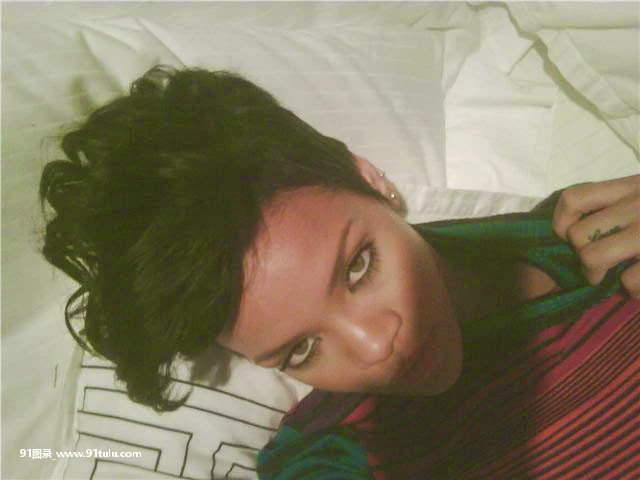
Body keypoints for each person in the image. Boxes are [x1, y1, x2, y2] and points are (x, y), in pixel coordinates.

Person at [39, 66, 639, 479]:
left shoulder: (586, 222)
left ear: (369, 176)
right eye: (301, 351)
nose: (377, 349)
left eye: (358, 268)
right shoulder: (347, 452)